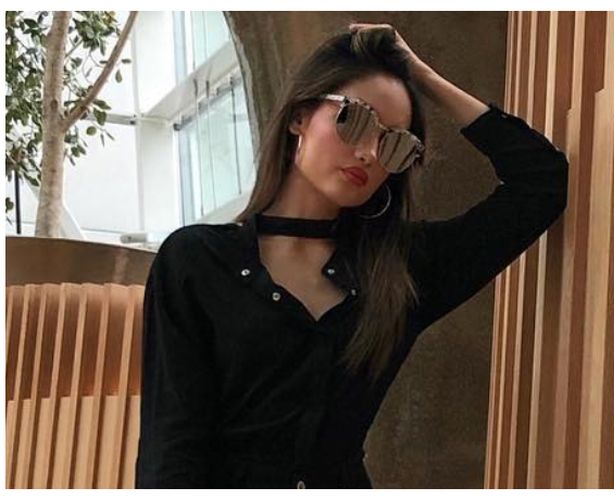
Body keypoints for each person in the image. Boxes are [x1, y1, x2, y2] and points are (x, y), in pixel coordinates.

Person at [134, 22, 568, 489]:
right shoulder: (197, 261)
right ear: (300, 116)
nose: (369, 154)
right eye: (354, 119)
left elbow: (539, 182)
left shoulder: (402, 270)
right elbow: (171, 448)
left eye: (394, 143)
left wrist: (421, 75)